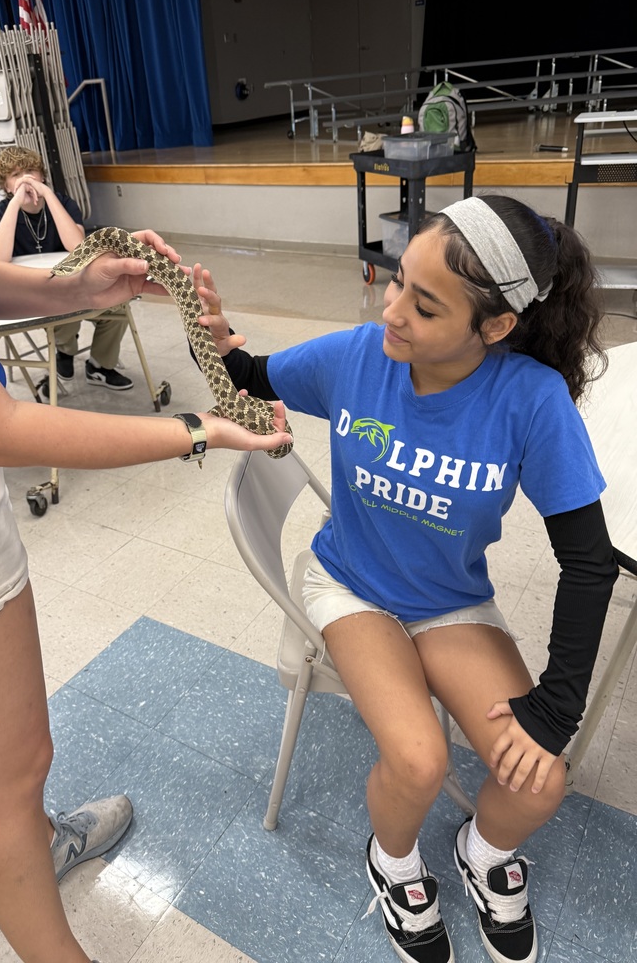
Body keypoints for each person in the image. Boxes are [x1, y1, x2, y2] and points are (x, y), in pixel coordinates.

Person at [0, 0, 291, 963]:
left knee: (18, 753)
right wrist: (197, 427)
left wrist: (75, 286)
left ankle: (36, 841)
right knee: (5, 771)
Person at [192, 193, 619, 963]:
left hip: (450, 603)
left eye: (423, 307)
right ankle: (394, 864)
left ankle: (482, 855)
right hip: (350, 585)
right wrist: (211, 333)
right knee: (418, 759)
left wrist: (555, 709)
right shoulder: (360, 357)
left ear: (494, 327)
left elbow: (589, 561)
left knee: (538, 782)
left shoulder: (530, 400)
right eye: (396, 283)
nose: (391, 312)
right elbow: (249, 376)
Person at [0, 144, 133, 400]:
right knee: (64, 305)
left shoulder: (62, 203)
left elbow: (78, 246)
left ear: (42, 175)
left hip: (73, 282)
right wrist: (16, 202)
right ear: (6, 185)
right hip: (31, 291)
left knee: (117, 307)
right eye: (16, 175)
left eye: (31, 171)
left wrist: (48, 196)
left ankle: (99, 365)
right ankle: (65, 352)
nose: (25, 178)